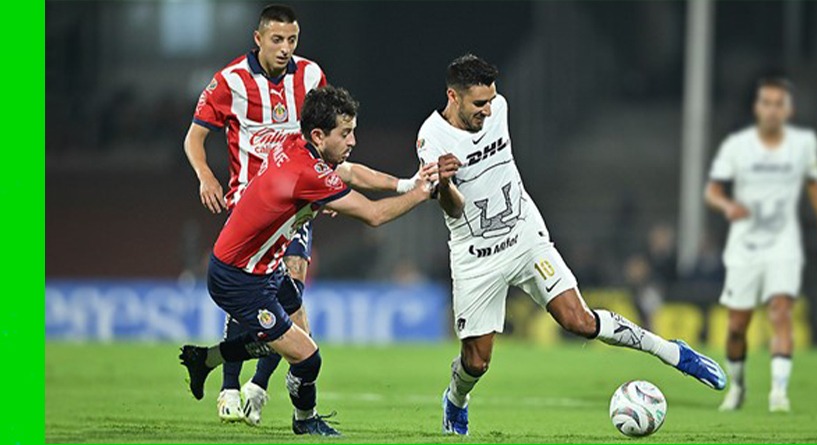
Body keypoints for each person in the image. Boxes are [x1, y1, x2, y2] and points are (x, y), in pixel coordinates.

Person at [415, 54, 727, 436]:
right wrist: (445, 183)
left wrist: (489, 111)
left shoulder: (500, 109)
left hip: (525, 236)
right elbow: (452, 207)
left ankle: (674, 353)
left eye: (492, 99)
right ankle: (456, 400)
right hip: (476, 255)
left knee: (579, 321)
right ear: (453, 96)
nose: (488, 109)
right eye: (479, 103)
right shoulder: (432, 138)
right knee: (477, 362)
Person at [182, 5, 421, 425]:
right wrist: (206, 176)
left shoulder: (311, 78)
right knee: (264, 311)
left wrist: (398, 184)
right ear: (258, 38)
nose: (285, 48)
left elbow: (337, 157)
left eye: (292, 40)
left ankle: (255, 383)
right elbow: (195, 138)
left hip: (297, 200)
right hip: (255, 198)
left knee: (294, 315)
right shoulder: (231, 81)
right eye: (277, 39)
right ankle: (231, 387)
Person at [705, 77, 817, 413]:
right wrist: (728, 206)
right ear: (757, 107)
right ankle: (738, 386)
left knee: (781, 312)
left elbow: (815, 185)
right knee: (737, 326)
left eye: (779, 103)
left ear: (788, 109)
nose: (773, 109)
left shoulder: (803, 144)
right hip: (744, 246)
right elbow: (713, 190)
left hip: (783, 244)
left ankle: (779, 392)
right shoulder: (738, 146)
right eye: (767, 102)